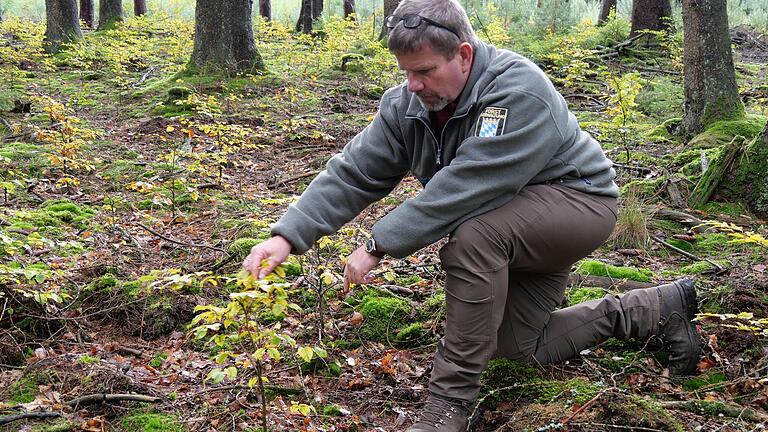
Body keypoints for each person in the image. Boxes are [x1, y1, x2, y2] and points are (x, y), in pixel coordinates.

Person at [243, 0, 702, 430]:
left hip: (577, 204)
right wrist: (286, 237)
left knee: (473, 237)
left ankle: (449, 405)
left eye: (424, 71)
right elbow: (353, 173)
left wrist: (377, 244)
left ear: (463, 54)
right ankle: (653, 311)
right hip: (513, 223)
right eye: (405, 72)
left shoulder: (518, 89)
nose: (413, 85)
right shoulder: (406, 105)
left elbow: (466, 186)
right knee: (515, 348)